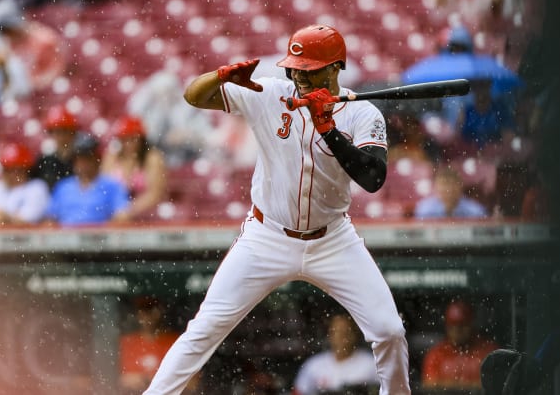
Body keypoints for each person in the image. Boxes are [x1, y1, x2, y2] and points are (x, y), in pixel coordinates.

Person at [142, 24, 410, 395]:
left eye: (309, 68)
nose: (298, 75)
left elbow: (372, 178)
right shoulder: (268, 93)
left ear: (335, 68)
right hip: (266, 236)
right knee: (204, 329)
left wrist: (328, 127)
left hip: (332, 240)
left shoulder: (362, 114)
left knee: (389, 331)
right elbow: (193, 96)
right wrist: (220, 76)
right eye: (295, 66)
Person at [126, 70, 214, 168]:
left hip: (188, 161)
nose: (165, 98)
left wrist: (188, 136)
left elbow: (208, 138)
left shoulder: (190, 110)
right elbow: (141, 138)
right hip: (155, 163)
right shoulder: (146, 112)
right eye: (160, 94)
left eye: (169, 92)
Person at [43, 132, 131, 227]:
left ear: (97, 159)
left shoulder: (112, 186)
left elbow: (122, 216)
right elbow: (50, 219)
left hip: (101, 239)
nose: (83, 163)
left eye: (88, 158)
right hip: (66, 238)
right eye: (79, 159)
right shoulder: (63, 187)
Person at [0, 0, 66, 90]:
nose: (8, 36)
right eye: (3, 33)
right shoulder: (6, 44)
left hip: (44, 92)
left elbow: (55, 70)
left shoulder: (44, 40)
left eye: (8, 30)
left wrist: (30, 84)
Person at [421, 299, 499, 391]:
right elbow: (430, 387)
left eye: (462, 325)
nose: (457, 331)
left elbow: (495, 386)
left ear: (471, 325)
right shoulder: (436, 354)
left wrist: (450, 385)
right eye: (453, 326)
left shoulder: (488, 352)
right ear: (447, 327)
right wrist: (470, 386)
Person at [292, 313, 380, 395]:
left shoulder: (371, 364)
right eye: (337, 332)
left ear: (355, 334)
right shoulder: (314, 365)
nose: (341, 337)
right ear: (330, 335)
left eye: (346, 332)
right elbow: (299, 392)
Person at [101, 115, 167, 223]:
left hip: (146, 214)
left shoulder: (152, 158)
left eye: (133, 139)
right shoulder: (111, 157)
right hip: (115, 214)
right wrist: (117, 210)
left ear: (141, 139)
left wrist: (129, 210)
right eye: (124, 139)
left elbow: (155, 193)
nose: (129, 143)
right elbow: (104, 189)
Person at [0, 142, 51, 227]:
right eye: (8, 169)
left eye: (17, 169)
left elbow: (30, 220)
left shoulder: (37, 188)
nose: (12, 174)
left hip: (25, 239)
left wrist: (6, 219)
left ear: (26, 170)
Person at [119, 297, 181, 395]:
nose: (147, 316)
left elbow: (191, 382)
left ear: (160, 312)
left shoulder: (174, 341)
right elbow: (123, 379)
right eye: (143, 310)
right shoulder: (128, 342)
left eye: (152, 310)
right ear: (138, 314)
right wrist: (150, 379)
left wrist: (146, 379)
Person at [31, 104, 80, 190]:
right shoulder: (45, 162)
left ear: (73, 132)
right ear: (51, 133)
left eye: (65, 131)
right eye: (57, 132)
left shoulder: (81, 159)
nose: (61, 137)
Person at [414, 166, 488, 219]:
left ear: (460, 187)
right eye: (444, 185)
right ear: (436, 188)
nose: (448, 189)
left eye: (452, 185)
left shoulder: (475, 211)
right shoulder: (424, 209)